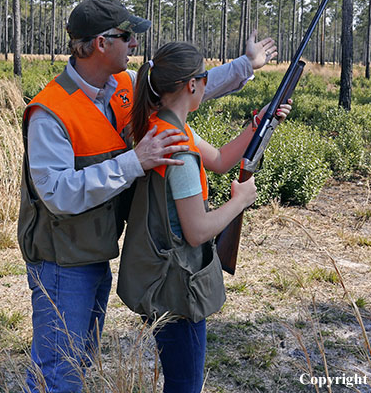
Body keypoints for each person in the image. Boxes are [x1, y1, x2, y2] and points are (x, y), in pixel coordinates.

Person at [18, 0, 277, 392]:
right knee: (58, 369)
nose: (135, 44)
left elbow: (181, 90)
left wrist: (247, 67)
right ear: (101, 44)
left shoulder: (122, 85)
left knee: (77, 358)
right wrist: (135, 160)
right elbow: (57, 194)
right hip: (61, 260)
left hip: (96, 249)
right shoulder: (50, 112)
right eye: (127, 36)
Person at [118, 42, 291, 392]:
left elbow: (222, 159)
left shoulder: (162, 127)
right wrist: (239, 202)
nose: (207, 83)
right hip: (177, 288)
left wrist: (259, 124)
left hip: (158, 274)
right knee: (185, 385)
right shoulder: (178, 151)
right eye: (204, 77)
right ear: (191, 85)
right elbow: (197, 231)